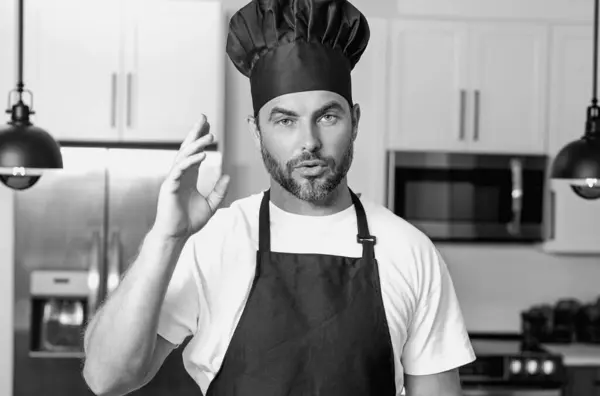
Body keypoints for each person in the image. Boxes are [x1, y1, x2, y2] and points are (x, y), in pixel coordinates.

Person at [82, 0, 476, 394]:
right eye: (286, 120)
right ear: (257, 132)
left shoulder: (409, 251)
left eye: (327, 116)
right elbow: (107, 379)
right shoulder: (217, 242)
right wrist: (164, 239)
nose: (309, 142)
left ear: (354, 121)